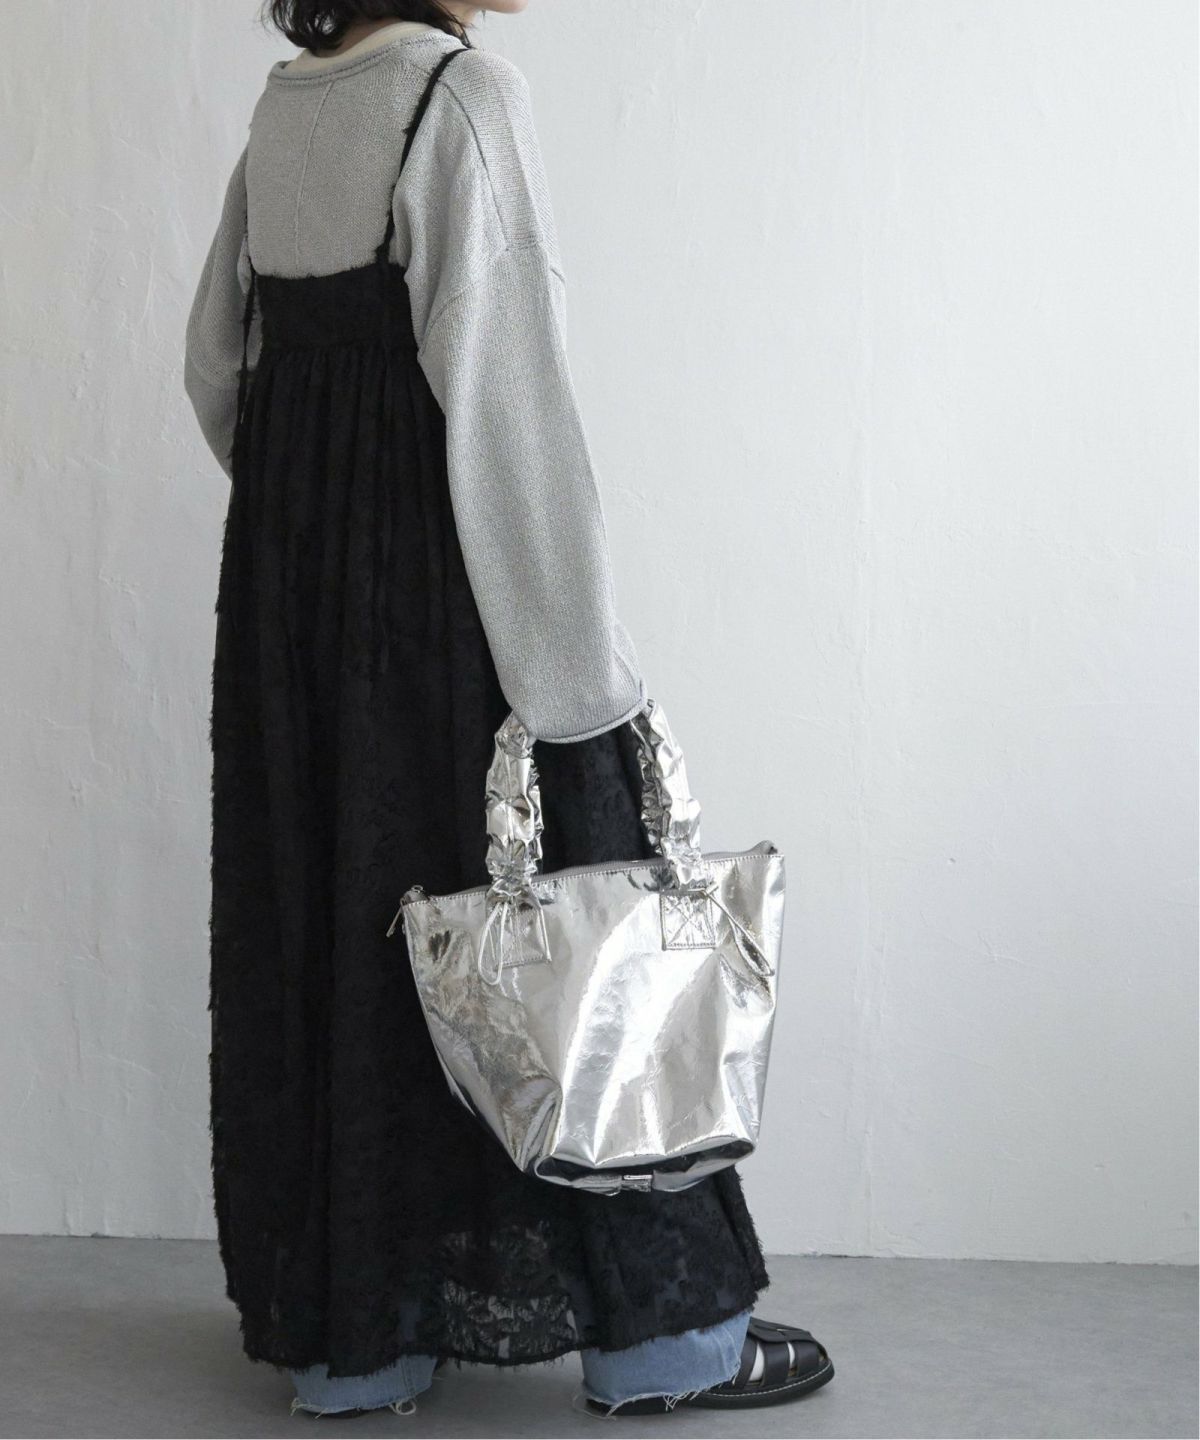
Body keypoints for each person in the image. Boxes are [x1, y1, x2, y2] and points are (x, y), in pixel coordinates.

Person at [183, 0, 833, 1418]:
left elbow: (218, 370)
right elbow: (507, 403)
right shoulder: (462, 100)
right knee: (575, 955)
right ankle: (665, 1348)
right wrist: (587, 683)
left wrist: (314, 526)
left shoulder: (291, 104)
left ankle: (360, 1350)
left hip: (294, 622)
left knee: (351, 939)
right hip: (451, 605)